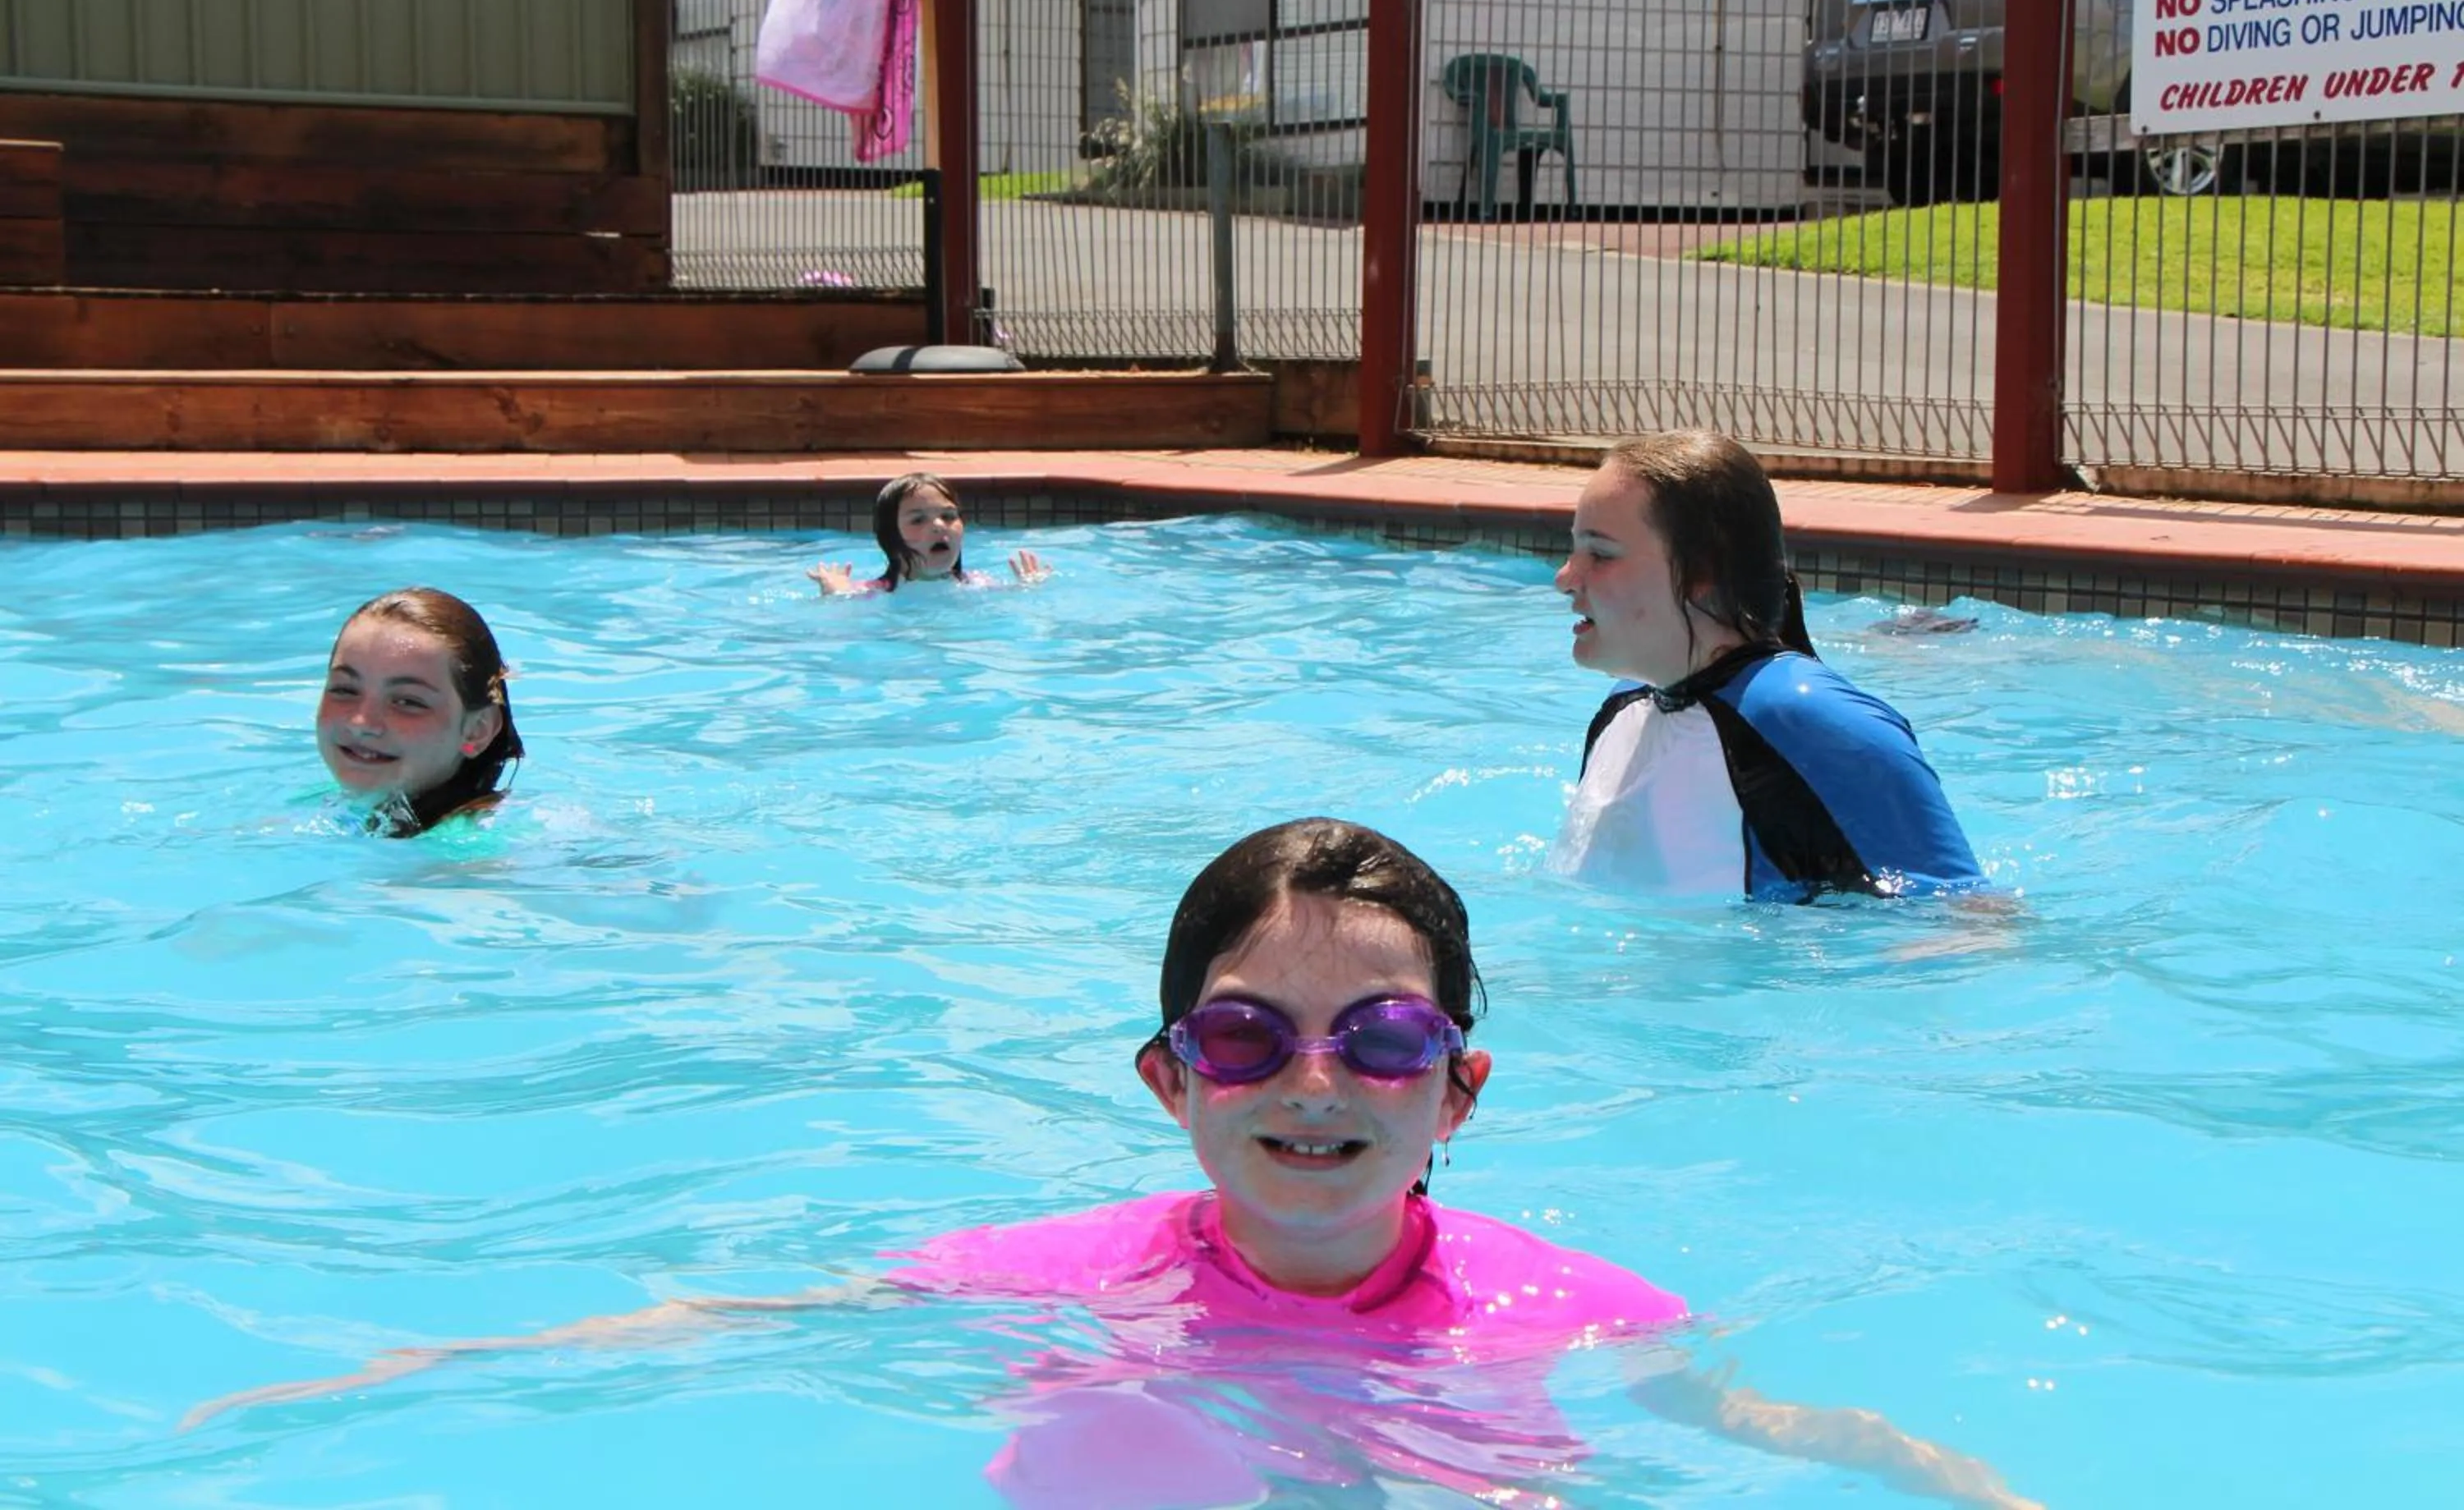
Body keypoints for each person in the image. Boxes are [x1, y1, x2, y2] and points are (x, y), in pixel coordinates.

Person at [186, 819, 2035, 1508]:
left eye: (1383, 1040)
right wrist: (427, 1370)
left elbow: (1782, 1436)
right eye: (1245, 1038)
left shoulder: (1584, 1314)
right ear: (1170, 1081)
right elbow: (753, 1327)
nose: (1313, 1083)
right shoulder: (1057, 1276)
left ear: (1459, 1092)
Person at [1551, 431, 1983, 900]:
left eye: (1601, 555)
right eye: (1574, 550)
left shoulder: (1810, 723)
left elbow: (1964, 914)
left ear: (1700, 573)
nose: (1565, 578)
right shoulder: (1623, 708)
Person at [316, 587, 524, 837]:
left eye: (408, 702)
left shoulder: (478, 844)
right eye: (345, 690)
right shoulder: (324, 802)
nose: (361, 723)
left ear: (477, 730)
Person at [807, 472, 1049, 595]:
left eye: (949, 516)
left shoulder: (979, 585)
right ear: (891, 537)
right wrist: (836, 594)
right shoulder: (872, 593)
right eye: (918, 519)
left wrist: (1028, 588)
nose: (939, 526)